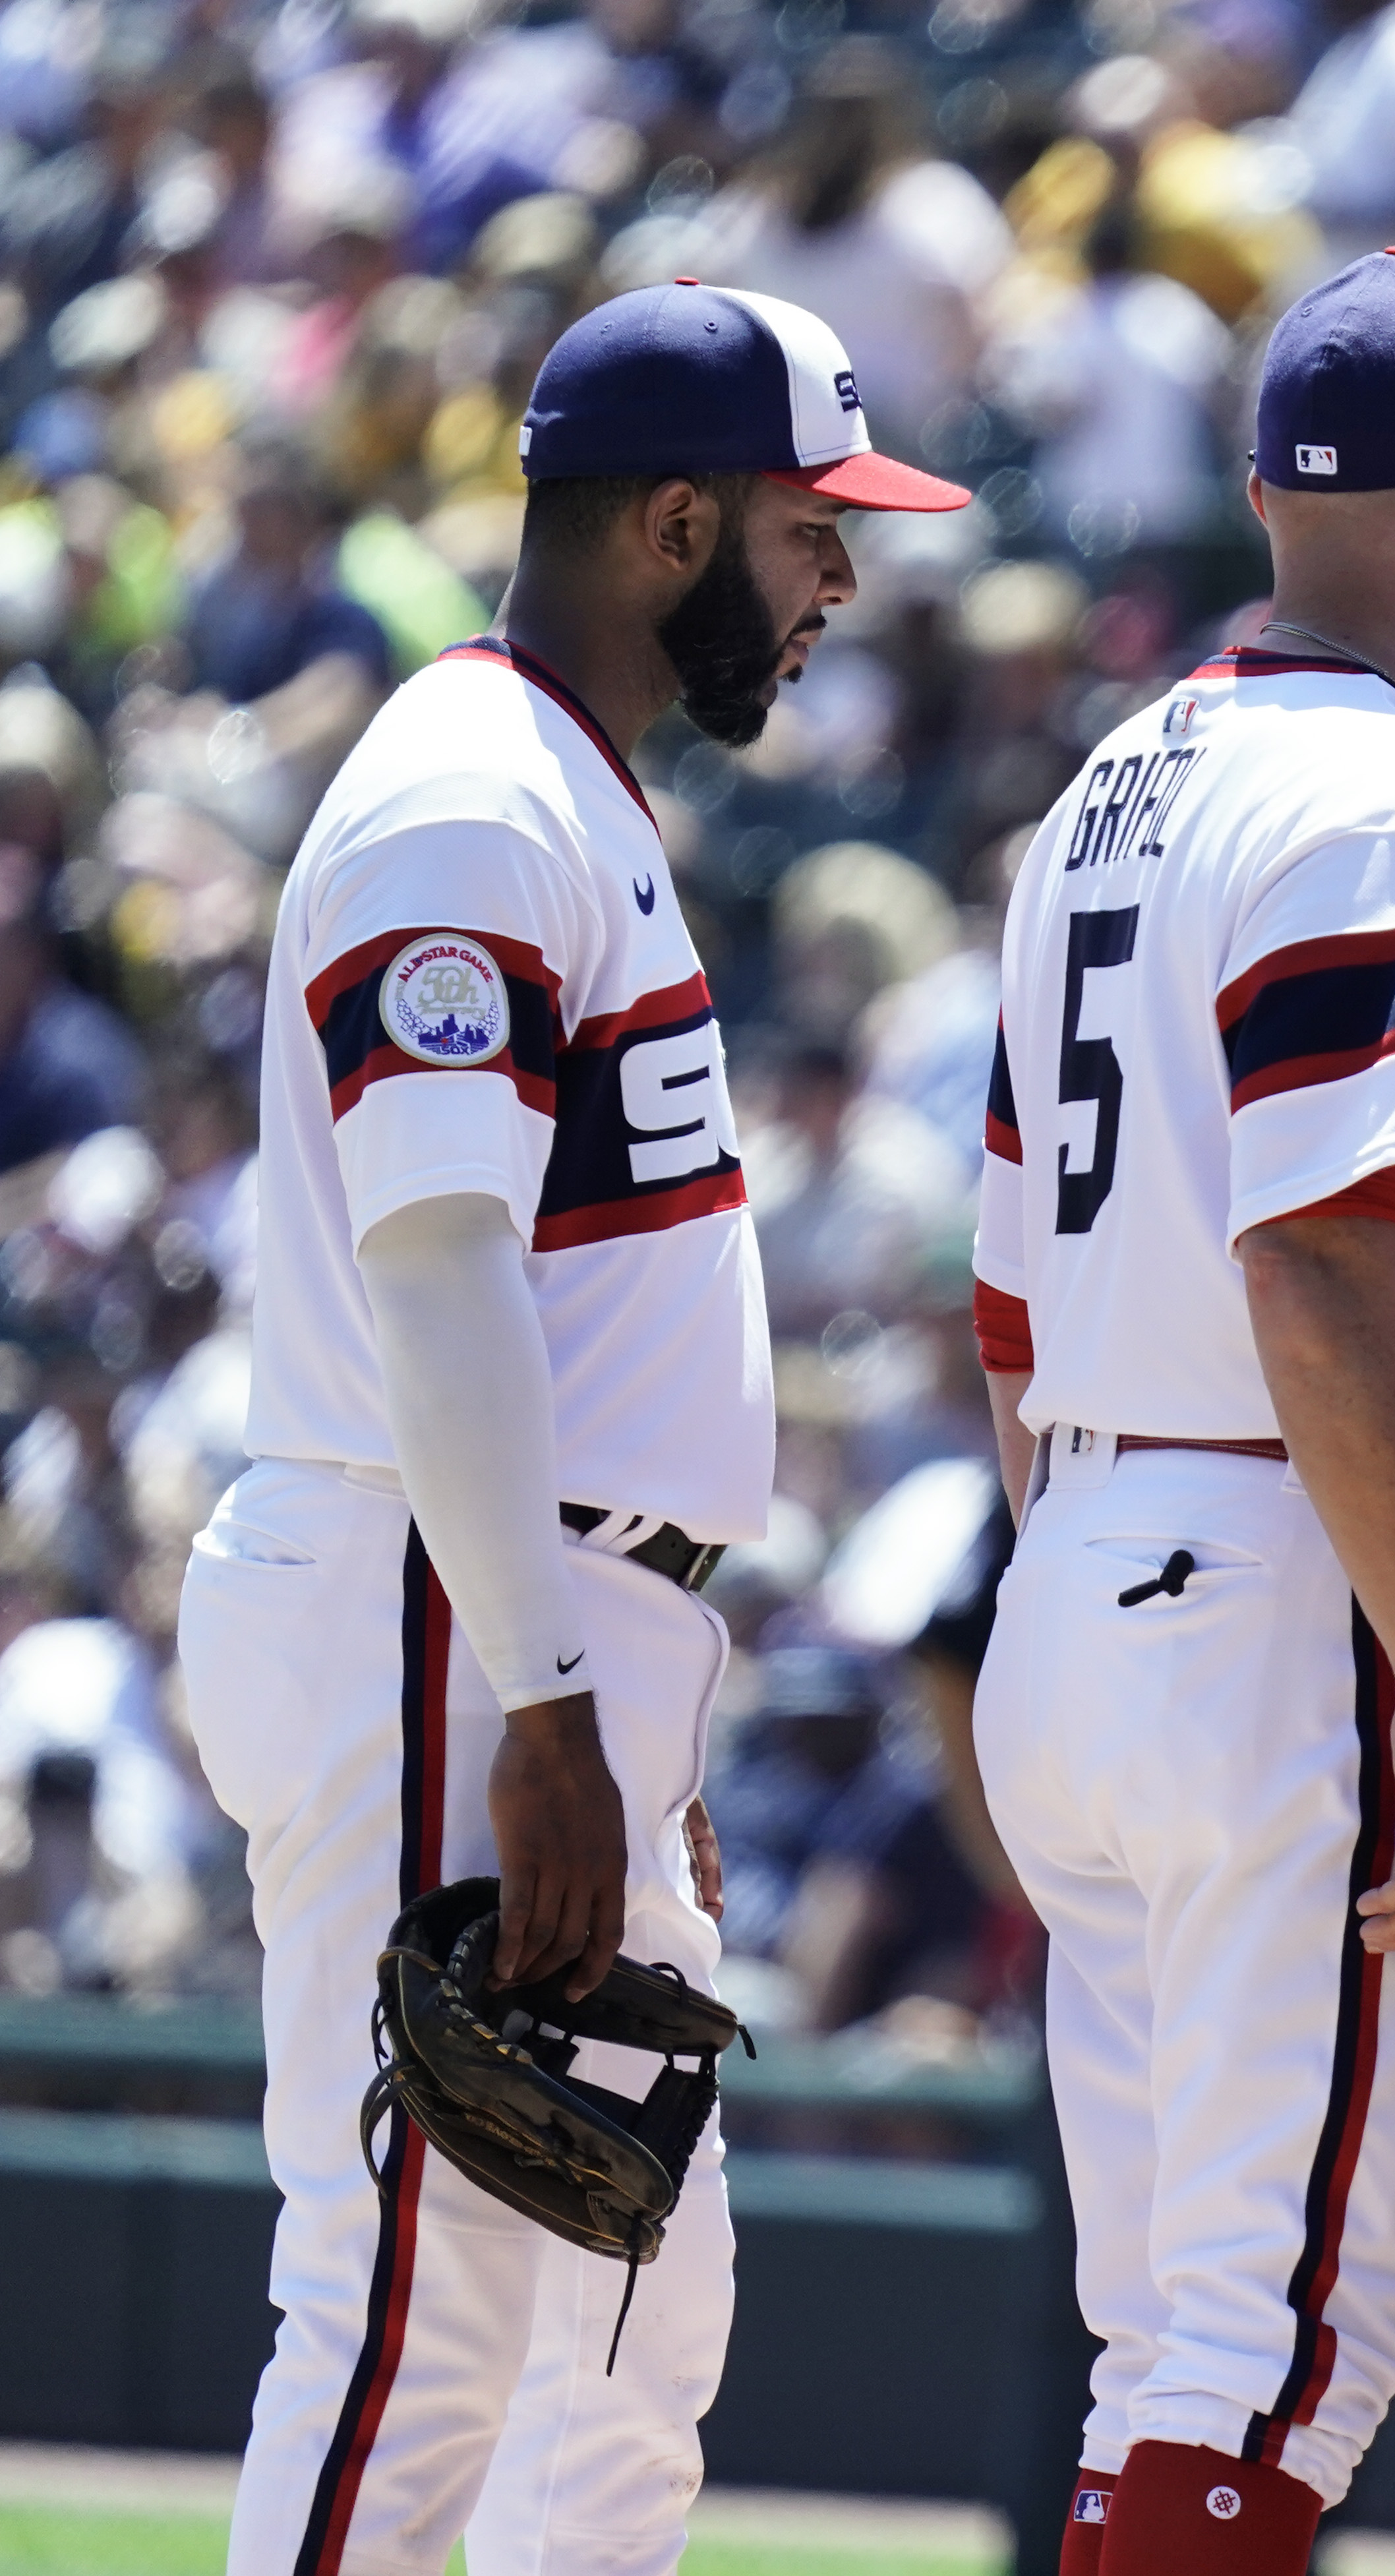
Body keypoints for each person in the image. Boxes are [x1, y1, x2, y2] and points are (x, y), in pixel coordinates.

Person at [175, 280, 966, 2576]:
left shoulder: (556, 786)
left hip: (549, 1620)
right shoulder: (467, 791)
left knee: (629, 2323)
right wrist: (536, 1695)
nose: (840, 585)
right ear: (679, 521)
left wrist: (585, 1687)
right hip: (462, 1615)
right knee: (412, 2306)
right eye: (816, 533)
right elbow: (438, 1269)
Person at [966, 247, 1395, 2576]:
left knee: (1171, 2346)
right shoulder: (1388, 791)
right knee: (1273, 2358)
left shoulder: (1106, 791)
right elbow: (1324, 1245)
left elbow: (1005, 1306)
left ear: (1267, 489)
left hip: (1094, 1566)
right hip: (1306, 1582)